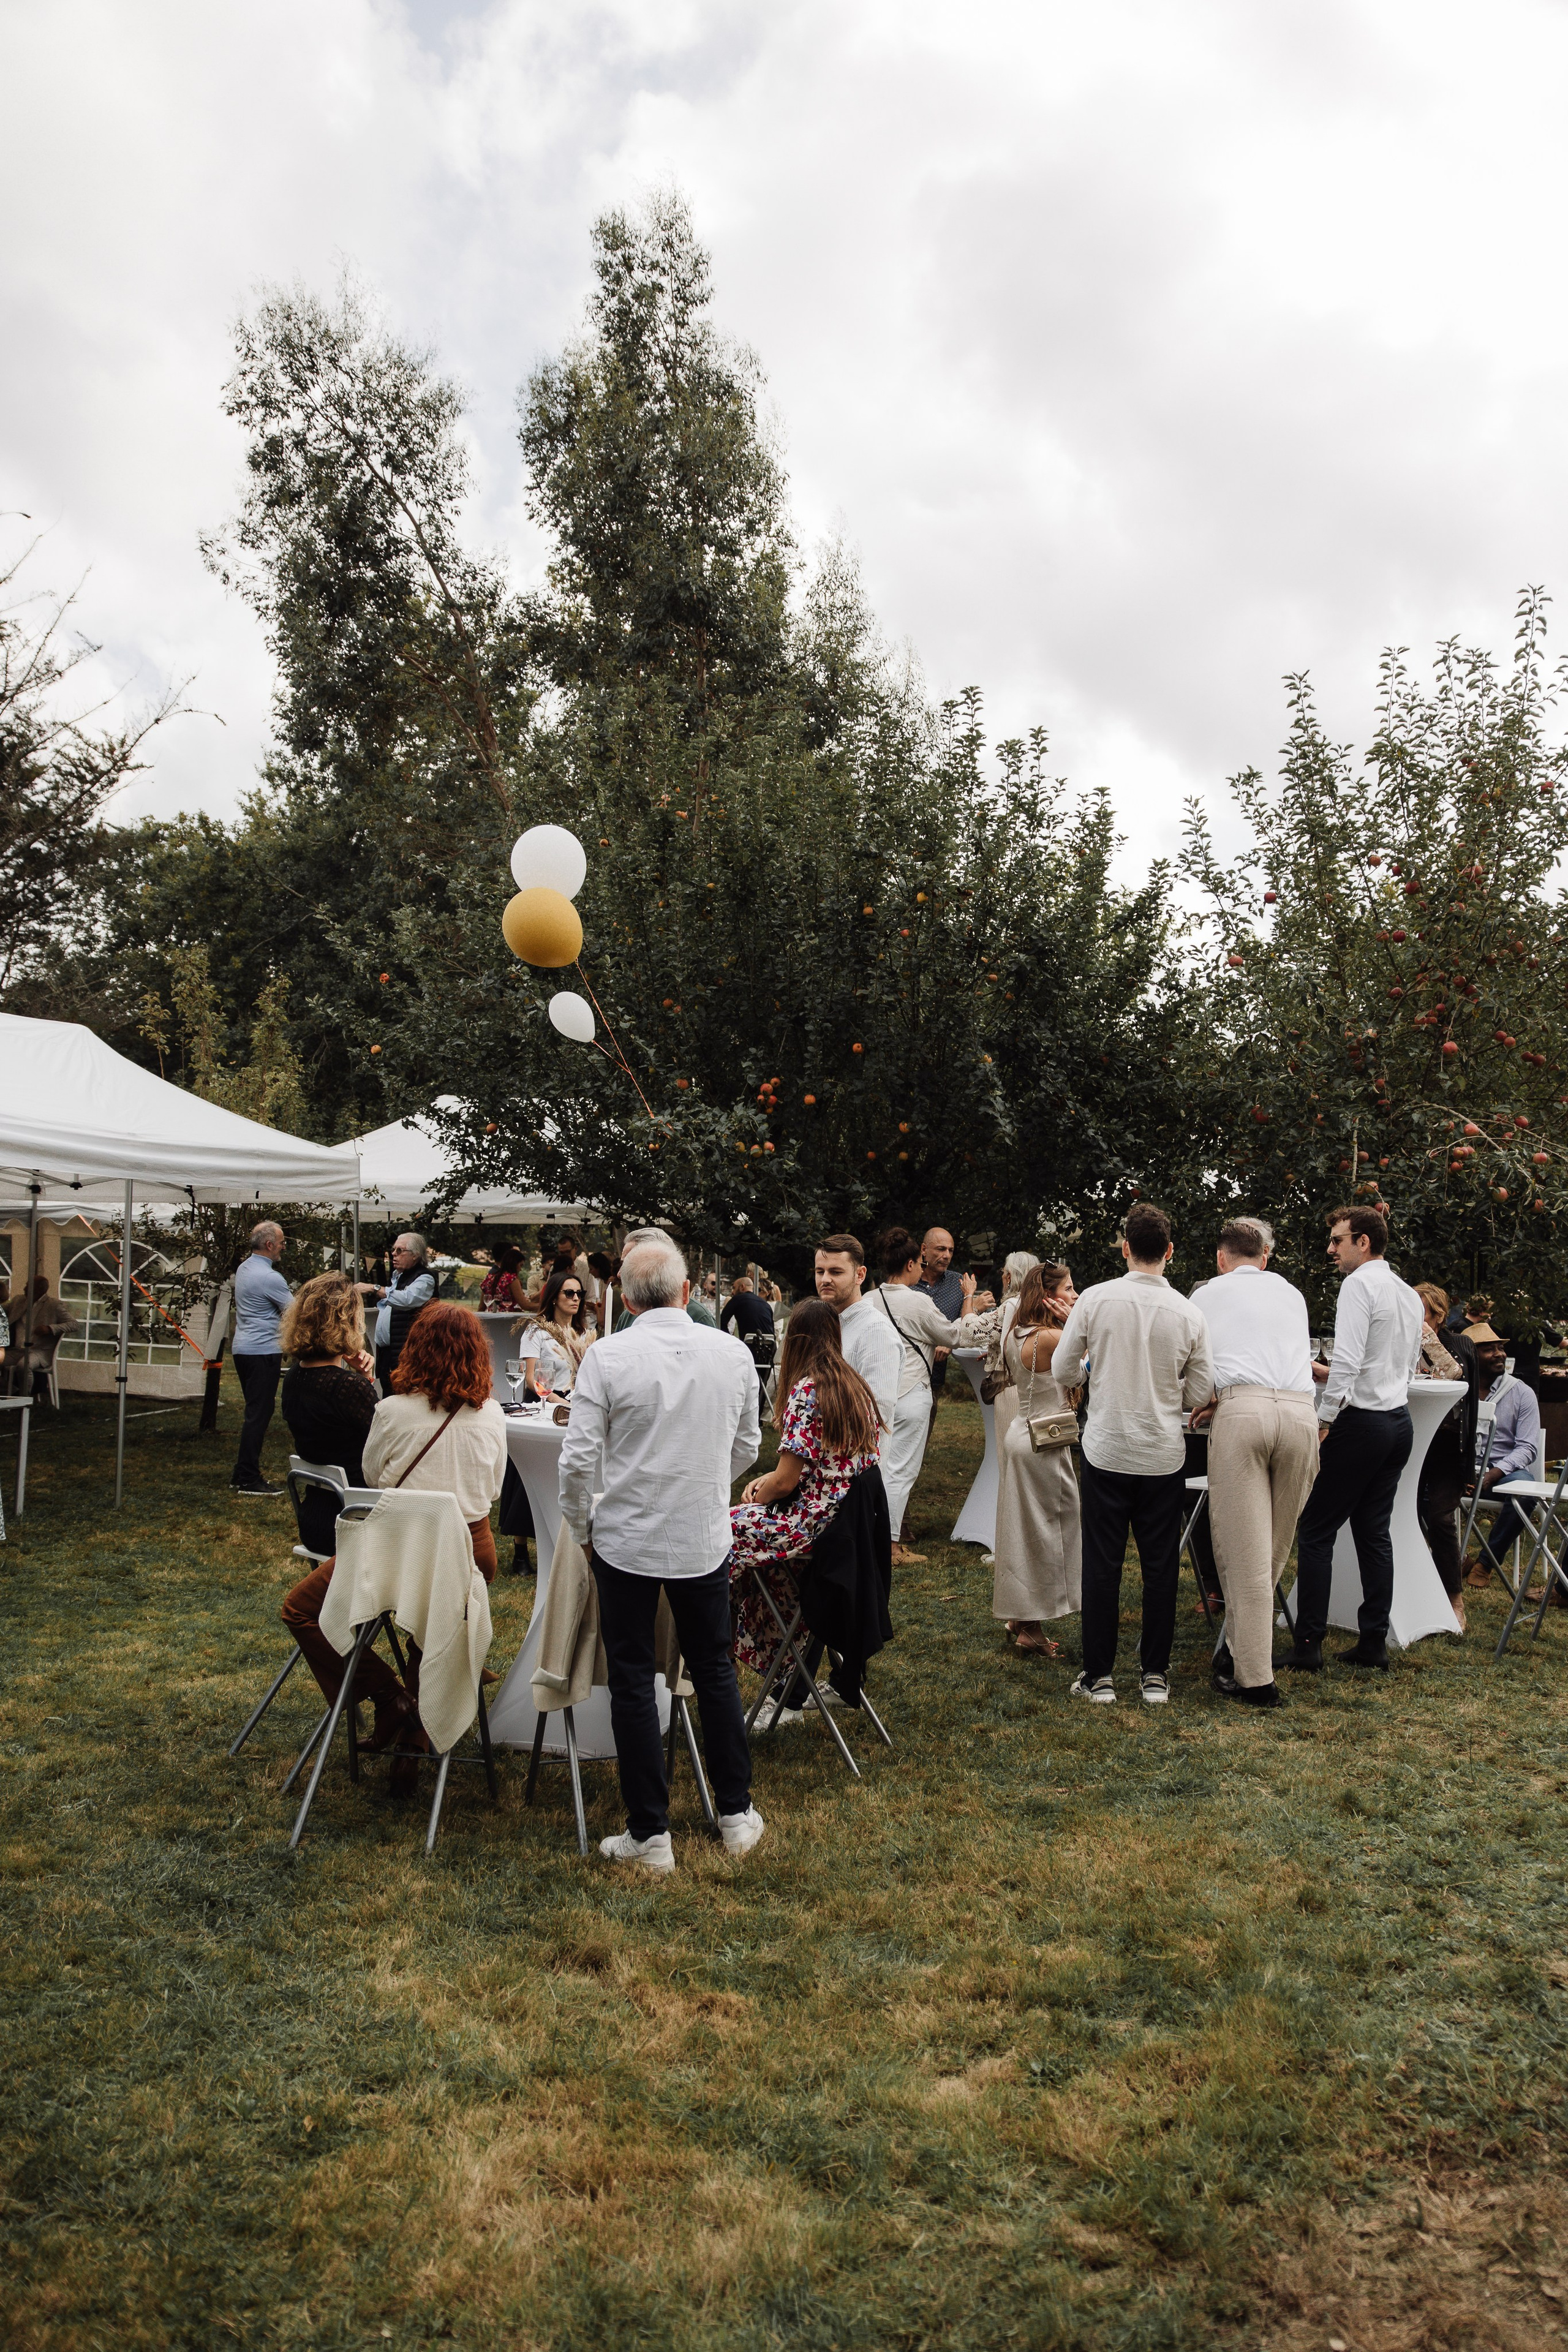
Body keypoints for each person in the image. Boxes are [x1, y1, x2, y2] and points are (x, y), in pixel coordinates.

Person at [560, 1235, 764, 1872]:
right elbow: (747, 1444)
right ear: (685, 1292)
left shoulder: (608, 1355)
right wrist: (704, 1485)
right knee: (714, 1668)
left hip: (628, 1535)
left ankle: (651, 1832)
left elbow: (577, 1461)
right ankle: (733, 1814)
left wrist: (581, 1525)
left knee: (631, 1677)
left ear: (622, 1296)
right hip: (699, 1533)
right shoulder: (730, 1353)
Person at [281, 1302, 507, 1793]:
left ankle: (390, 1699)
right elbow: (492, 1491)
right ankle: (413, 1735)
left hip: (396, 1549)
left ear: (416, 1348)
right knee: (432, 1624)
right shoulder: (492, 1416)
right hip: (471, 1553)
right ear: (478, 1353)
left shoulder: (389, 1412)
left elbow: (373, 1478)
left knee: (300, 1609)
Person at [1051, 1203, 1214, 1705]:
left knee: (1102, 1563)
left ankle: (1099, 1677)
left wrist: (1089, 1374)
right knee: (1161, 1564)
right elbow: (1201, 1389)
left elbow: (1062, 1369)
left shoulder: (1096, 1299)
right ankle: (1155, 1676)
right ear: (1168, 1251)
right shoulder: (1190, 1312)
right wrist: (1171, 1390)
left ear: (1125, 1247)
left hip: (1107, 1447)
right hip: (1163, 1453)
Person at [1283, 1205, 1424, 1675]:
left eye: (1338, 1240)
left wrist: (1325, 1419)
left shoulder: (1358, 1285)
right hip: (1397, 1422)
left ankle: (1308, 1645)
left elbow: (1347, 1361)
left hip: (1361, 1423)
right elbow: (1398, 1364)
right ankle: (1373, 1642)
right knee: (1373, 1532)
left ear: (1363, 1242)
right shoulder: (1407, 1292)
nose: (1331, 1249)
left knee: (1316, 1529)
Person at [727, 1297, 884, 1708]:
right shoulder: (854, 1386)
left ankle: (715, 1645)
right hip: (844, 1525)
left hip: (811, 1526)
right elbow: (827, 1465)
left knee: (718, 1531)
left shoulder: (807, 1390)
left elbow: (785, 1480)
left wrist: (762, 1490)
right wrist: (771, 1484)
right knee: (741, 1533)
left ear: (794, 1340)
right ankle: (773, 1654)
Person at [1189, 1218, 1317, 1707]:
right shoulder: (1292, 1293)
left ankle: (1255, 1681)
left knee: (1245, 1555)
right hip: (1301, 1414)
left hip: (1244, 1413)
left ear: (1222, 1259)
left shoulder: (1205, 1295)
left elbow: (1200, 1372)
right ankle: (1237, 1654)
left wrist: (1210, 1398)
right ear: (1265, 1257)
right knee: (1271, 1551)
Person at [991, 1262, 1082, 1657]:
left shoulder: (1016, 1334)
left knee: (1022, 1531)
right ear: (1049, 1296)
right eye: (1069, 1288)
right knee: (1051, 1532)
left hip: (1019, 1434)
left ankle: (1023, 1619)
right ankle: (1031, 1625)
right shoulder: (1052, 1337)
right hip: (1044, 1441)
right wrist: (1078, 1325)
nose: (1075, 1296)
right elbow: (1082, 1374)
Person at [873, 1227, 976, 1562]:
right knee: (901, 1471)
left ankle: (869, 1536)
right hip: (912, 1394)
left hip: (876, 1395)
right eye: (919, 1262)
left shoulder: (870, 1299)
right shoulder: (919, 1301)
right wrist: (971, 1304)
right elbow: (955, 1335)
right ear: (911, 1264)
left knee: (875, 1468)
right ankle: (889, 1547)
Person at [279, 1275, 379, 1556]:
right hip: (356, 1525)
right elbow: (386, 1449)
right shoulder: (347, 1387)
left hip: (315, 1520)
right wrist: (365, 1380)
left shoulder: (295, 1377)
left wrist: (364, 1378)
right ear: (348, 1320)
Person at [1412, 1283, 1476, 1630]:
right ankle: (1414, 1588)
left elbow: (1456, 1376)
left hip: (1447, 1446)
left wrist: (1425, 1337)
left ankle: (1454, 1597)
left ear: (1437, 1315)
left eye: (1418, 1310)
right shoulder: (1401, 1344)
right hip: (1409, 1440)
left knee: (1439, 1517)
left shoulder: (1459, 1342)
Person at [1462, 1321, 1543, 1589]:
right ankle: (1456, 1558)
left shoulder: (1522, 1393)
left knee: (1526, 1491)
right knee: (1418, 1488)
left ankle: (1486, 1563)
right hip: (1462, 1469)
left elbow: (1528, 1447)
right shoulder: (1458, 1390)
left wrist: (1493, 1474)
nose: (1499, 1353)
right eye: (1489, 1349)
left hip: (1502, 1474)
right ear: (1470, 1356)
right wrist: (1461, 1470)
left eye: (1500, 1348)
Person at [815, 1235, 902, 1461]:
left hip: (855, 1474)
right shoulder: (827, 1325)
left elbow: (876, 1412)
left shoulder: (875, 1331)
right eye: (820, 1271)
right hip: (821, 1469)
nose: (825, 1279)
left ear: (860, 1275)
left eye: (836, 1272)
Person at [230, 1219, 293, 1498]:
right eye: (281, 1242)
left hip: (243, 1349)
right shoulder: (270, 1277)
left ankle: (241, 1474)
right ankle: (247, 1477)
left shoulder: (245, 1268)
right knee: (259, 1415)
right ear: (269, 1245)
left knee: (255, 1412)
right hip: (262, 1351)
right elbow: (295, 1313)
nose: (283, 1246)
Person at [366, 1232, 437, 1391]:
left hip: (409, 1354)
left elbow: (406, 1299)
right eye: (393, 1250)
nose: (394, 1254)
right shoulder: (399, 1277)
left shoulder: (425, 1278)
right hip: (389, 1353)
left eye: (400, 1251)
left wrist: (374, 1288)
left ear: (415, 1256)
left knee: (404, 1394)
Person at [518, 1267, 594, 1398]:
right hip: (542, 1400)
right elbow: (530, 1378)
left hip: (574, 1399)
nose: (576, 1298)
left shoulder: (583, 1334)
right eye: (569, 1293)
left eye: (580, 1293)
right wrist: (556, 1400)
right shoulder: (537, 1331)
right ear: (554, 1298)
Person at [720, 1273, 777, 1402]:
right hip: (768, 1351)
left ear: (742, 1287)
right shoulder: (765, 1305)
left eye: (734, 1288)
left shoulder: (738, 1300)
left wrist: (729, 1341)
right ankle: (758, 1418)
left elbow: (722, 1321)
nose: (732, 1292)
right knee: (760, 1384)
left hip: (749, 1349)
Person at [479, 1243, 528, 1313]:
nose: (521, 1269)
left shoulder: (489, 1277)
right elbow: (525, 1305)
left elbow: (481, 1308)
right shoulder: (511, 1279)